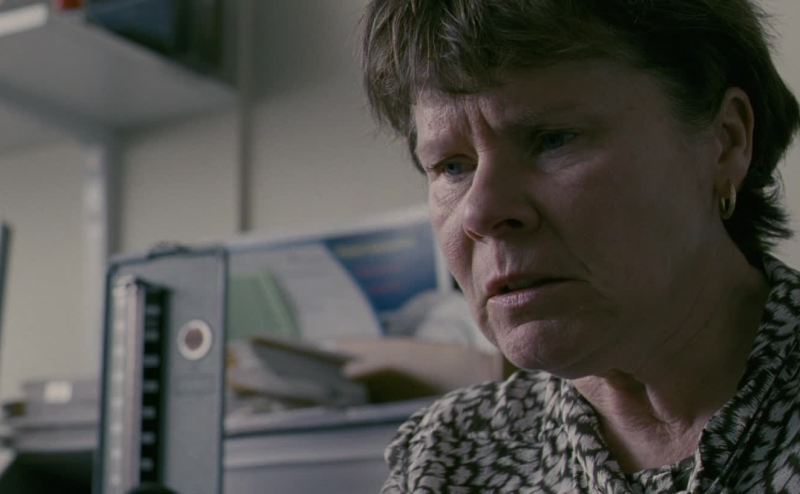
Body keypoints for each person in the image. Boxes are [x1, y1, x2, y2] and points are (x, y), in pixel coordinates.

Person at [360, 0, 800, 492]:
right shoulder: (445, 456)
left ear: (727, 141)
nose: (481, 213)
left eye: (554, 139)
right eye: (452, 167)